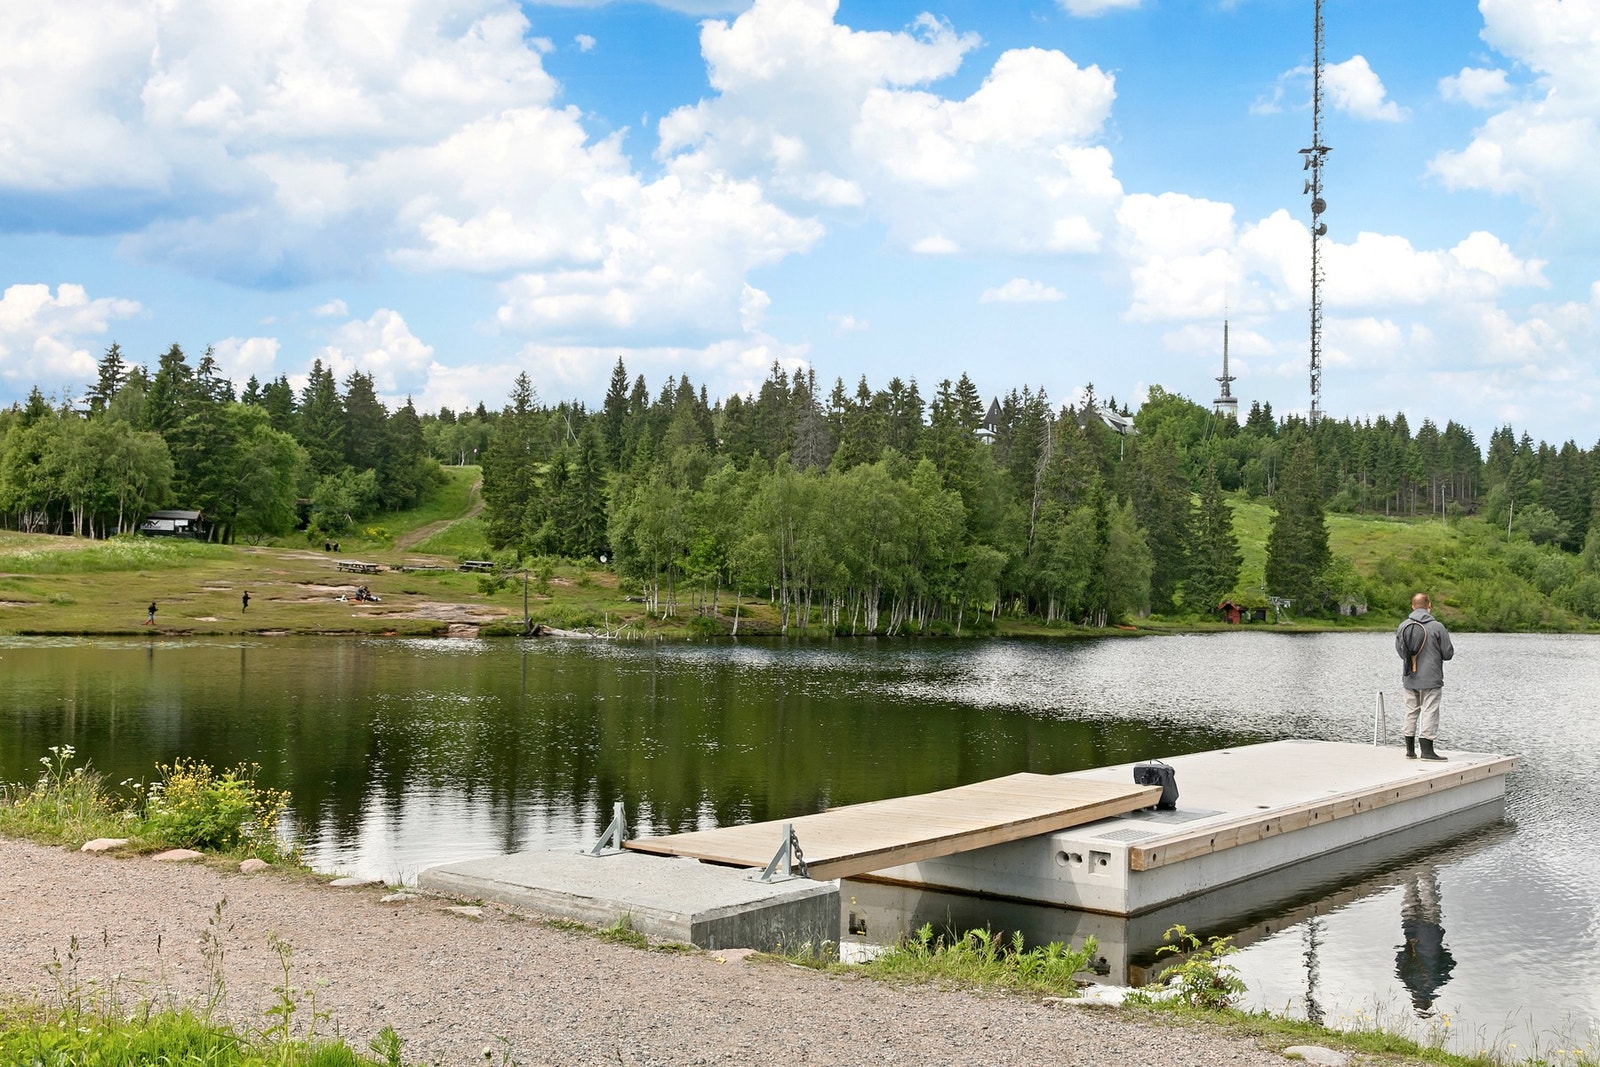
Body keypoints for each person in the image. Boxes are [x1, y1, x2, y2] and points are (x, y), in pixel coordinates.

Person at [1396, 592, 1454, 761]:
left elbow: (1400, 651)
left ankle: (1410, 750)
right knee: (1430, 710)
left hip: (1409, 677)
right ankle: (1427, 750)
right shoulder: (1437, 627)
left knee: (1410, 711)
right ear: (1429, 606)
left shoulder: (1403, 626)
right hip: (1431, 677)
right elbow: (1448, 653)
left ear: (1412, 606)